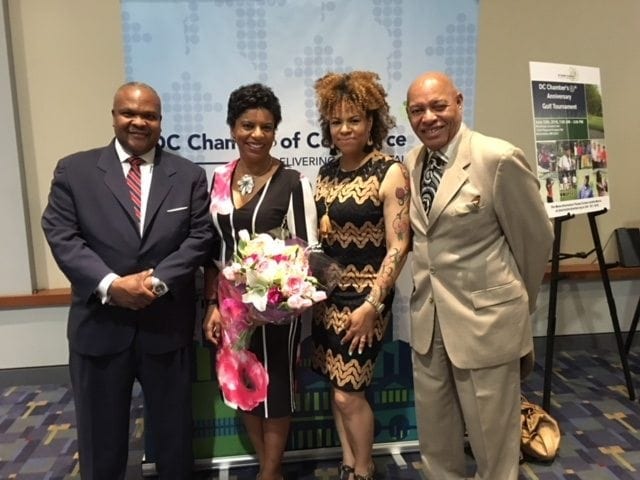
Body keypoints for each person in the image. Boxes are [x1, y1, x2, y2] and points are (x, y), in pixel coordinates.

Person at [41, 81, 214, 479]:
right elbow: (62, 235)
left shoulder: (187, 175)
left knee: (174, 439)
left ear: (160, 121)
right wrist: (111, 286)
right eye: (129, 113)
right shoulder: (75, 170)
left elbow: (200, 236)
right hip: (100, 325)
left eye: (149, 115)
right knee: (101, 441)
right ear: (114, 116)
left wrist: (155, 283)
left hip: (166, 327)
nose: (139, 122)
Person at [405, 72, 553, 480]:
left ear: (459, 102)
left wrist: (509, 303)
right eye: (418, 110)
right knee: (436, 440)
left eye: (439, 106)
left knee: (493, 445)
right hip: (429, 322)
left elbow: (534, 240)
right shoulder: (414, 161)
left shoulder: (497, 158)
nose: (429, 118)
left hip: (485, 325)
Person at [202, 83, 317, 480]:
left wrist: (281, 298)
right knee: (242, 387)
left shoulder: (291, 182)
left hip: (275, 310)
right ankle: (268, 468)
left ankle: (270, 472)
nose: (256, 134)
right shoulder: (218, 178)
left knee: (277, 390)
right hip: (231, 309)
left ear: (275, 132)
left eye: (266, 127)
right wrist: (213, 305)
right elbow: (211, 250)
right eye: (247, 125)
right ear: (233, 127)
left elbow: (308, 251)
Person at [311, 71, 411, 480]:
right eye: (337, 121)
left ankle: (365, 470)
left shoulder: (389, 171)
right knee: (338, 392)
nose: (345, 128)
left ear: (372, 122)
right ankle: (349, 463)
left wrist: (373, 304)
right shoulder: (327, 172)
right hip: (329, 298)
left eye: (354, 119)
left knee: (348, 392)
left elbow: (399, 246)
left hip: (366, 300)